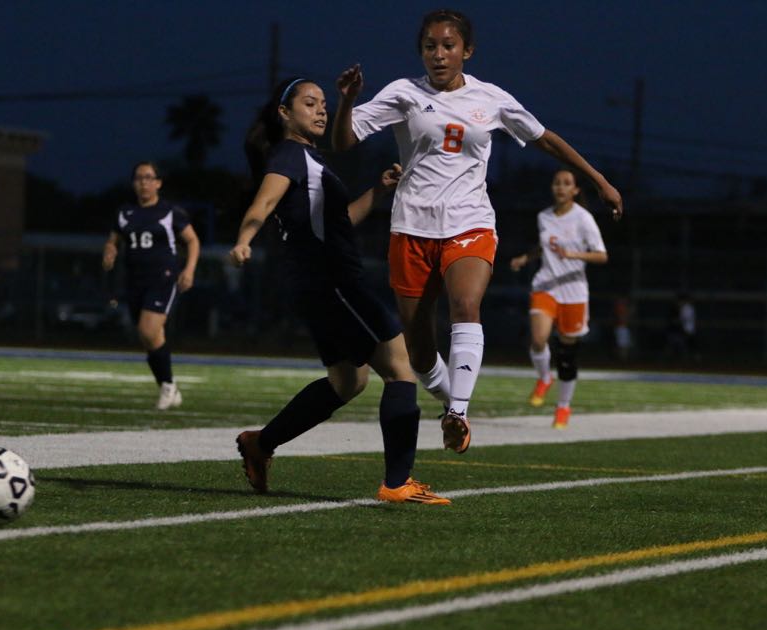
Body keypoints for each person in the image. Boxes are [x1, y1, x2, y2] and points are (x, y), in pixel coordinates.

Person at [333, 9, 623, 453]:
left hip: (470, 222)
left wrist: (598, 179)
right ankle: (453, 404)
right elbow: (343, 141)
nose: (439, 54)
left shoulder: (491, 99)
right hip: (411, 226)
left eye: (448, 45)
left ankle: (458, 412)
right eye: (430, 46)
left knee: (466, 304)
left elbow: (544, 138)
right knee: (420, 350)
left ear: (466, 50)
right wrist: (348, 100)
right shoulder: (404, 93)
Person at [228, 76, 450, 505]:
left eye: (323, 104)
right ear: (284, 113)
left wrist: (378, 191)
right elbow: (262, 204)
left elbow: (339, 220)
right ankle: (398, 483)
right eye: (309, 103)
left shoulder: (310, 160)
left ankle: (261, 443)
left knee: (348, 380)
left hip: (317, 284)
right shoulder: (291, 155)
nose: (321, 110)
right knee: (400, 367)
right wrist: (243, 240)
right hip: (331, 280)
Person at [509, 169, 608, 428]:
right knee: (538, 338)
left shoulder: (583, 219)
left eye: (567, 183)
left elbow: (601, 255)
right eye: (557, 183)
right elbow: (545, 245)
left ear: (575, 190)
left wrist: (573, 256)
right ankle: (544, 378)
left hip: (574, 292)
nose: (560, 187)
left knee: (567, 355)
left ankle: (563, 407)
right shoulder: (544, 217)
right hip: (546, 286)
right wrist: (527, 258)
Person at [102, 161, 200, 410]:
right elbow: (114, 240)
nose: (143, 182)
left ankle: (167, 386)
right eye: (138, 178)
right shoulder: (125, 212)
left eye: (148, 177)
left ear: (158, 182)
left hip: (163, 277)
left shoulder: (169, 212)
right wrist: (110, 251)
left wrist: (188, 270)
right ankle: (169, 386)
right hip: (135, 280)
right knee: (149, 338)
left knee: (148, 330)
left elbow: (192, 241)